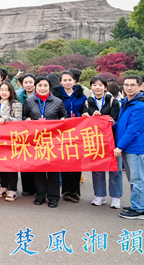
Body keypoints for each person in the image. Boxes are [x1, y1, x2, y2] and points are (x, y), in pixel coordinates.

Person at [23, 75, 66, 208]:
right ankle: (40, 195)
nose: (42, 88)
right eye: (40, 85)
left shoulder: (57, 101)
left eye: (45, 85)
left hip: (53, 141)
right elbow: (24, 115)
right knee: (38, 168)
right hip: (35, 141)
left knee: (53, 169)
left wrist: (63, 119)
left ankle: (53, 197)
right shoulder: (29, 101)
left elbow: (64, 115)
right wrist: (26, 120)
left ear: (49, 87)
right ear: (35, 87)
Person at [114, 75, 144, 219]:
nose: (128, 88)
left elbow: (133, 130)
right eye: (126, 85)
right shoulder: (128, 102)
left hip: (134, 148)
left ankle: (140, 210)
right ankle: (143, 206)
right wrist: (114, 124)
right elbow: (125, 125)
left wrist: (120, 147)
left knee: (137, 180)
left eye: (132, 85)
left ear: (140, 86)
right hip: (128, 148)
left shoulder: (140, 105)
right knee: (136, 179)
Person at [82, 76, 122, 208]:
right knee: (97, 169)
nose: (97, 88)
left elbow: (116, 120)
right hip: (95, 141)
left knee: (114, 169)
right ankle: (99, 196)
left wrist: (110, 121)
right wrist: (86, 116)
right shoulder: (88, 102)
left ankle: (115, 197)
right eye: (94, 85)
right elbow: (84, 119)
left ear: (105, 87)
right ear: (91, 87)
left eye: (100, 85)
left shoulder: (113, 102)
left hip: (112, 140)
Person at [53, 71, 88, 204]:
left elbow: (86, 110)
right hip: (62, 132)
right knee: (64, 160)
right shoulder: (56, 95)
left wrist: (84, 115)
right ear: (60, 82)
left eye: (70, 80)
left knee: (76, 162)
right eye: (65, 80)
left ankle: (75, 191)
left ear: (74, 81)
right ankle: (66, 191)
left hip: (78, 132)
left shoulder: (82, 96)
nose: (67, 82)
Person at [0, 81, 22, 202]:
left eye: (6, 90)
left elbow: (19, 121)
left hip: (11, 138)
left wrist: (6, 119)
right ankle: (3, 186)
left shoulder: (16, 104)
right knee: (1, 164)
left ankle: (13, 190)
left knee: (11, 164)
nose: (4, 92)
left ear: (11, 91)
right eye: (2, 90)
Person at [15, 73, 37, 197]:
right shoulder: (19, 96)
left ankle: (37, 187)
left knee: (37, 159)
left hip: (38, 132)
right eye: (26, 82)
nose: (28, 85)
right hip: (23, 131)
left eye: (31, 82)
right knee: (25, 158)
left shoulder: (40, 95)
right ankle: (27, 188)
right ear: (22, 84)